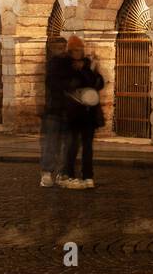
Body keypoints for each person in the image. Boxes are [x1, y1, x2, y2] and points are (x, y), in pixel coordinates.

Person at [58, 36, 105, 190]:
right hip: (73, 112)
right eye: (75, 50)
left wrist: (92, 72)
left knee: (88, 146)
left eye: (80, 50)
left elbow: (98, 83)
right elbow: (63, 85)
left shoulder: (88, 64)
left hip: (88, 112)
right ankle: (69, 174)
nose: (78, 53)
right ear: (70, 51)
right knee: (72, 145)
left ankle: (88, 176)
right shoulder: (65, 65)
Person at [39, 38, 71, 188]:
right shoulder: (52, 64)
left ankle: (62, 173)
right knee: (51, 143)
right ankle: (46, 173)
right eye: (58, 48)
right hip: (54, 110)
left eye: (63, 47)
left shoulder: (69, 63)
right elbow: (53, 84)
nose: (61, 50)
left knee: (68, 144)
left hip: (68, 110)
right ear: (52, 49)